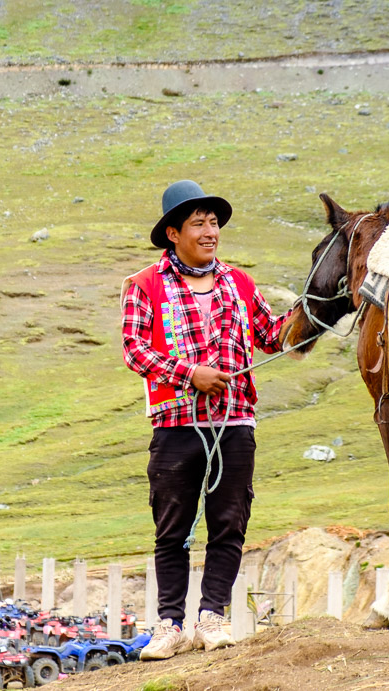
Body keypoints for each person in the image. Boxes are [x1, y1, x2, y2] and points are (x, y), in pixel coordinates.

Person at [121, 180, 288, 660]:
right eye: (198, 223)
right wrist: (189, 373)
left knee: (229, 523)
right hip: (175, 426)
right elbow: (135, 349)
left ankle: (212, 616)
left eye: (214, 222)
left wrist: (313, 313)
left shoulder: (240, 283)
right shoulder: (144, 285)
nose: (210, 231)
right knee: (171, 529)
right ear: (173, 232)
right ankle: (170, 624)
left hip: (234, 423)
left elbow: (271, 336)